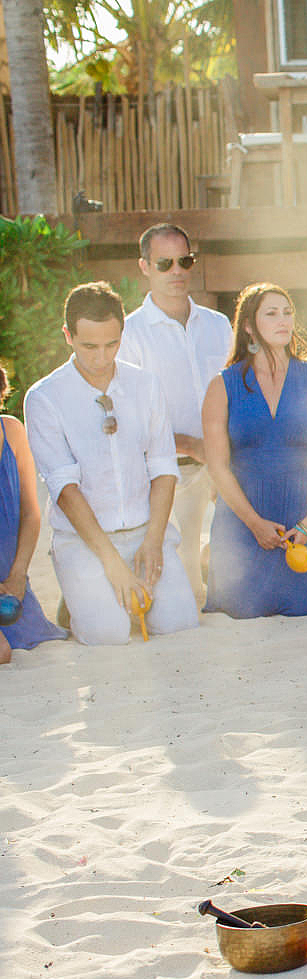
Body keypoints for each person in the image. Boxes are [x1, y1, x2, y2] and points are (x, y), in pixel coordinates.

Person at [23, 282, 199, 645]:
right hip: (84, 541)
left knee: (179, 624)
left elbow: (165, 468)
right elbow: (65, 490)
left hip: (146, 530)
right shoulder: (43, 397)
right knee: (109, 635)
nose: (101, 357)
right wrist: (113, 565)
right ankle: (79, 602)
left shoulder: (146, 384)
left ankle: (110, 596)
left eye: (111, 344)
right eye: (89, 346)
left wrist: (153, 541)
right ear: (67, 335)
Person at [201, 284, 307, 619]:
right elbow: (217, 467)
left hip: (305, 522)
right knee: (241, 612)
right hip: (242, 523)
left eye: (288, 312)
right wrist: (254, 524)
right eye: (271, 313)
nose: (283, 320)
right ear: (248, 325)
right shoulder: (222, 385)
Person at [117, 222, 235, 606]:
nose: (177, 271)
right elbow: (126, 422)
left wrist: (221, 454)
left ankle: (209, 557)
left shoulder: (219, 326)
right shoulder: (130, 335)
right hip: (168, 473)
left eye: (184, 260)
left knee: (243, 569)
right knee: (187, 596)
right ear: (144, 267)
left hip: (226, 466)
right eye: (164, 263)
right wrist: (190, 444)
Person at [1, 364, 68, 661]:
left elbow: (31, 513)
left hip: (10, 583)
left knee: (19, 640)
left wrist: (17, 576)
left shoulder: (12, 432)